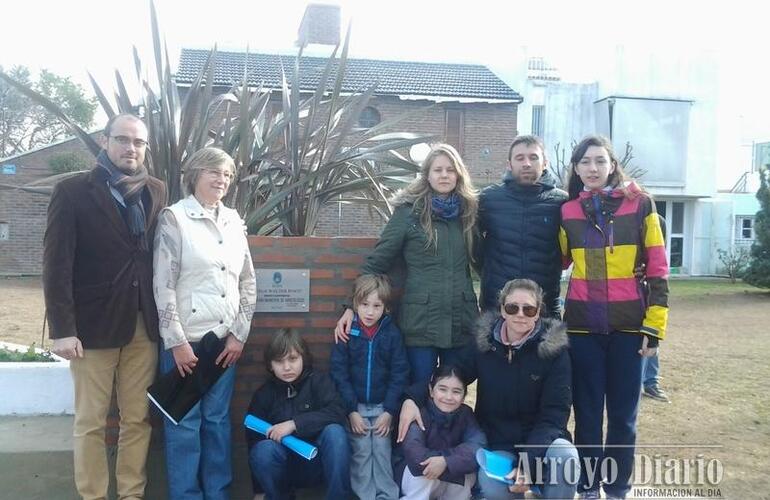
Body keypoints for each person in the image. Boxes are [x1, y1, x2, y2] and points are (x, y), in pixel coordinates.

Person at [43, 113, 167, 499]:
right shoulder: (72, 191)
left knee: (137, 420)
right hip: (91, 327)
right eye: (123, 140)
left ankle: (131, 494)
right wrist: (63, 329)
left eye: (139, 142)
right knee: (91, 422)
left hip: (143, 324)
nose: (131, 148)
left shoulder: (156, 190)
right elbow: (56, 264)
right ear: (104, 141)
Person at [559, 135, 669, 499]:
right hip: (581, 328)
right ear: (576, 168)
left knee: (623, 418)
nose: (593, 168)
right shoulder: (568, 211)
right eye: (585, 162)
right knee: (587, 416)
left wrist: (654, 327)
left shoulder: (641, 205)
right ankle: (589, 487)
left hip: (628, 328)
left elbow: (658, 267)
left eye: (600, 161)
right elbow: (559, 260)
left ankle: (618, 488)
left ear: (612, 165)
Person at [398, 279, 578, 500]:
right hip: (499, 442)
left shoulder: (555, 352)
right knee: (491, 486)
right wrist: (412, 398)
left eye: (529, 309)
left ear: (538, 312)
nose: (520, 314)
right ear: (503, 309)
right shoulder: (483, 344)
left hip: (542, 443)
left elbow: (555, 415)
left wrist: (528, 464)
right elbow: (450, 374)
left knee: (567, 457)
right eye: (513, 307)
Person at [152, 147, 257, 499]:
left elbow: (247, 281)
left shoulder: (233, 220)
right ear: (194, 174)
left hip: (223, 343)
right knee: (184, 423)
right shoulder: (174, 218)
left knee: (216, 422)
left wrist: (239, 335)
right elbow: (163, 284)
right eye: (214, 172)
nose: (221, 180)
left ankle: (219, 493)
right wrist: (176, 342)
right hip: (187, 345)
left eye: (227, 175)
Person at [335, 143, 480, 385]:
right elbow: (376, 262)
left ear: (459, 174)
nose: (444, 175)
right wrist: (351, 306)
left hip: (459, 321)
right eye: (438, 170)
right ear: (427, 175)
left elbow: (483, 261)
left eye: (450, 170)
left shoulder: (469, 214)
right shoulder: (408, 213)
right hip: (420, 323)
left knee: (453, 389)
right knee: (417, 388)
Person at [330, 274, 409, 500]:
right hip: (356, 409)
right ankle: (365, 496)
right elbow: (339, 373)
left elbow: (399, 373)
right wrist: (351, 410)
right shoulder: (346, 332)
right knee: (361, 453)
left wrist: (390, 411)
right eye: (364, 305)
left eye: (377, 306)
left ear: (385, 307)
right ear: (355, 304)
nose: (370, 311)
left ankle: (386, 495)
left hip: (383, 407)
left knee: (383, 451)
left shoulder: (392, 334)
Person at [247, 328, 351, 500]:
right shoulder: (264, 394)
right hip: (283, 466)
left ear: (304, 357)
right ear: (270, 366)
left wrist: (294, 424)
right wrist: (259, 491)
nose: (287, 367)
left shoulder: (319, 381)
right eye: (279, 361)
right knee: (263, 449)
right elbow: (253, 441)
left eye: (293, 359)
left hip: (318, 461)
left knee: (335, 433)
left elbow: (337, 411)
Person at [476, 135, 567, 316]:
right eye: (520, 158)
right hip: (497, 307)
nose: (527, 163)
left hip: (544, 308)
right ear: (509, 164)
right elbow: (472, 246)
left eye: (533, 157)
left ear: (545, 162)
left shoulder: (561, 202)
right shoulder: (488, 199)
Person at [398, 365, 486, 500]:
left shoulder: (466, 414)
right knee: (426, 473)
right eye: (442, 389)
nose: (448, 397)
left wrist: (446, 461)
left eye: (456, 392)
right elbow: (414, 453)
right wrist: (445, 462)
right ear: (431, 391)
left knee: (467, 476)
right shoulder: (419, 413)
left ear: (464, 396)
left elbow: (478, 445)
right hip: (419, 476)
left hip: (448, 474)